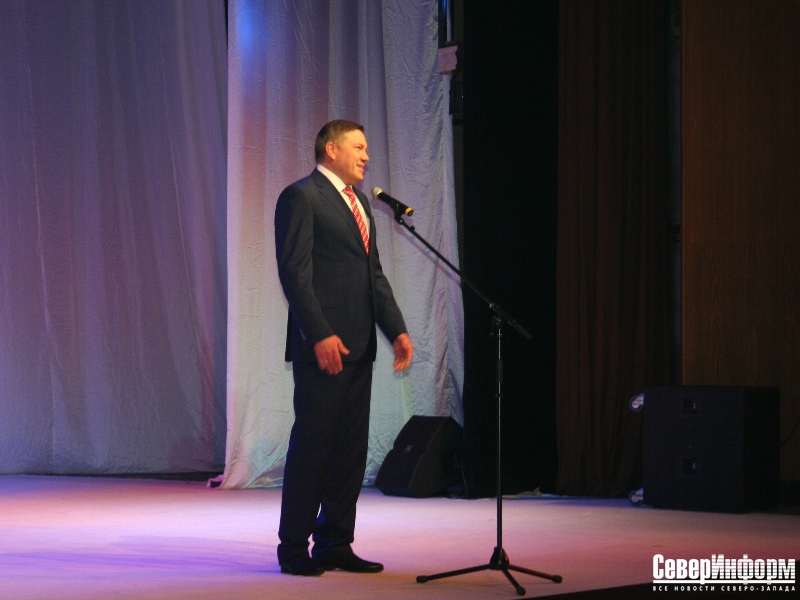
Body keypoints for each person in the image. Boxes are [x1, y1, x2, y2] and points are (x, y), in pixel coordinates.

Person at [274, 119, 414, 576]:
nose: (366, 156)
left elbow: (373, 277)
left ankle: (335, 542)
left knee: (349, 452)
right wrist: (318, 333)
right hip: (324, 348)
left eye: (367, 148)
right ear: (331, 150)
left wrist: (396, 330)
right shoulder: (301, 196)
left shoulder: (360, 204)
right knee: (313, 448)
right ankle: (293, 548)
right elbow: (295, 274)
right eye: (358, 147)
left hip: (359, 346)